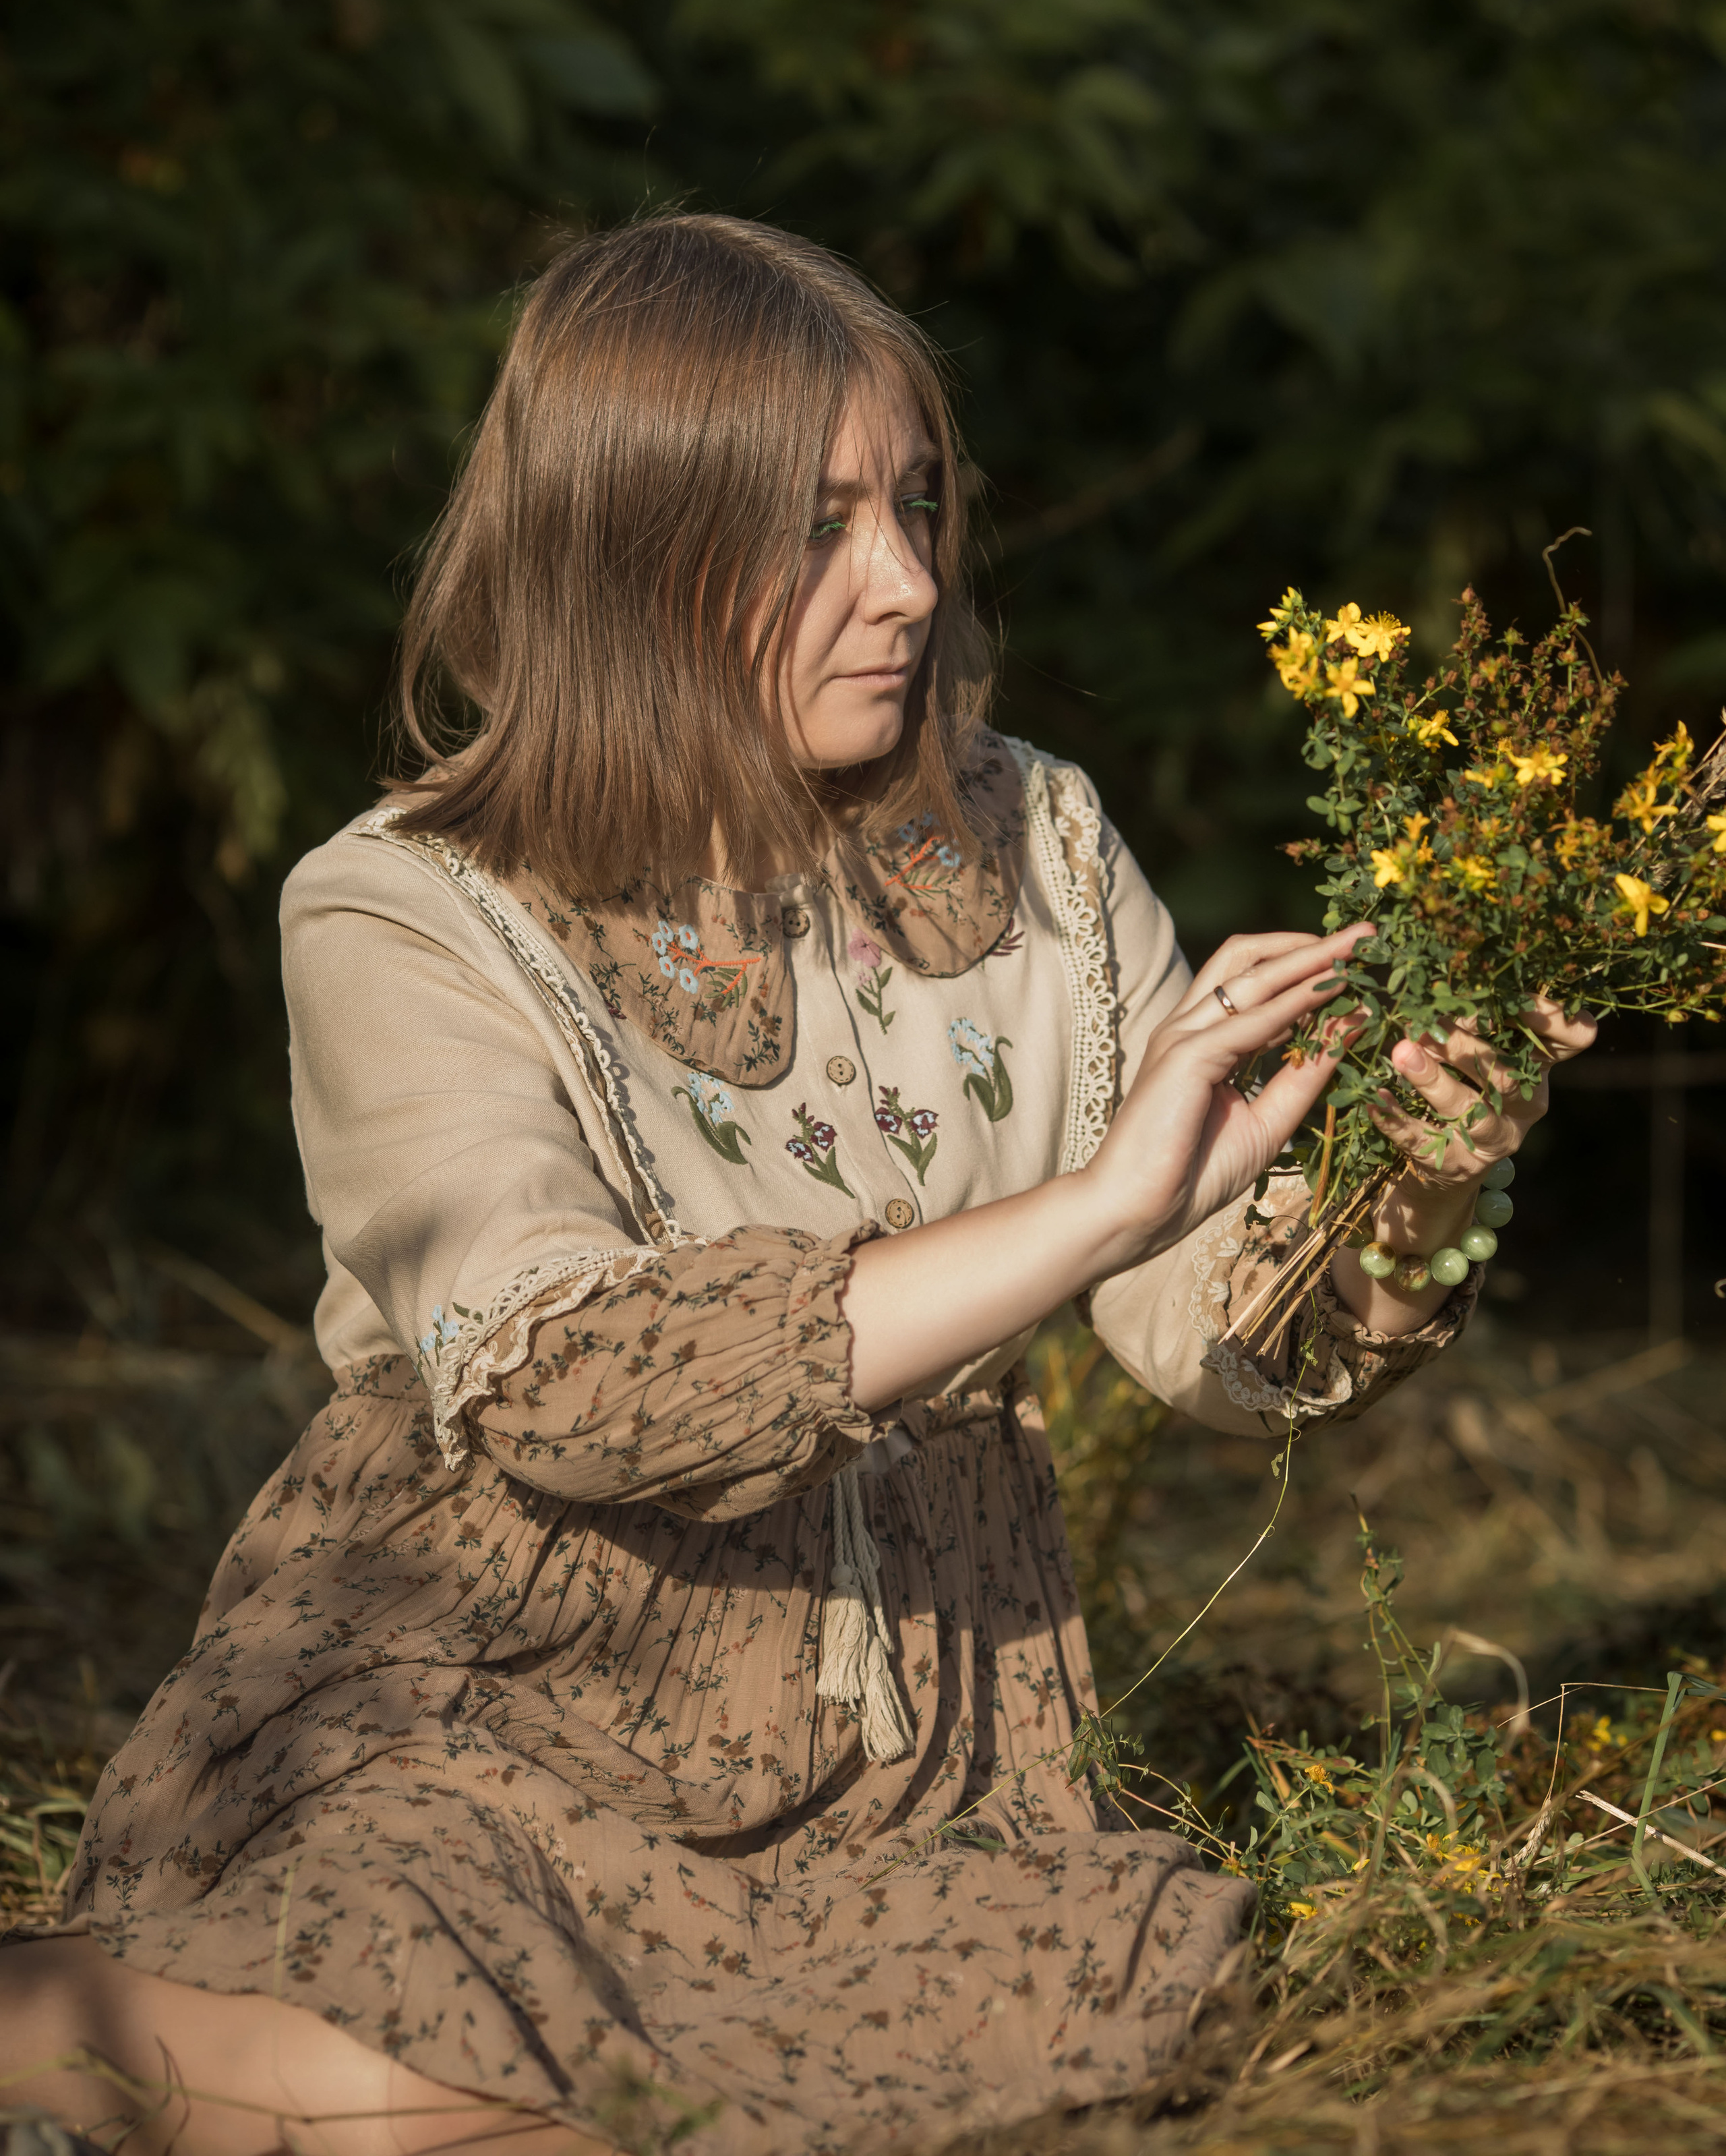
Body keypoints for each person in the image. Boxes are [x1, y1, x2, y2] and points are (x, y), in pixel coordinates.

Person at [0, 214, 1593, 2156]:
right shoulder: (403, 906)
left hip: (927, 1763)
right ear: (631, 546)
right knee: (432, 2071)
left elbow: (1205, 1338)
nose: (907, 583)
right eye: (819, 525)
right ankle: (49, 2024)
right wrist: (1094, 1200)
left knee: (1046, 2039)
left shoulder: (1043, 848)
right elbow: (570, 1380)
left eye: (918, 506)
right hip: (490, 1703)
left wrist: (1414, 1188)